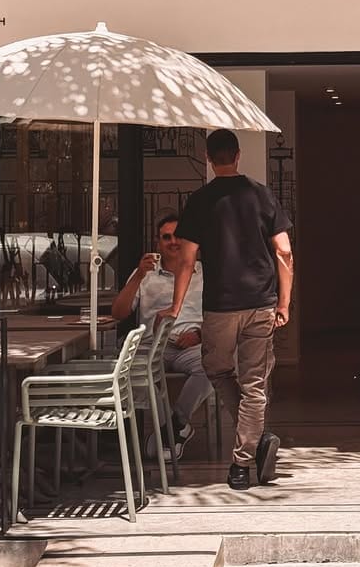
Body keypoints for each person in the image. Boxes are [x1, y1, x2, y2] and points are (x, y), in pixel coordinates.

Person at [160, 128, 292, 492]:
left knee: (217, 370)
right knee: (255, 385)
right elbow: (284, 251)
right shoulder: (262, 195)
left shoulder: (200, 201)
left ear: (208, 158)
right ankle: (250, 451)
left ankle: (245, 455)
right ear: (237, 156)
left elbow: (186, 260)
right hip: (261, 302)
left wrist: (176, 305)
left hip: (220, 306)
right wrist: (284, 301)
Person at [111, 211, 211, 461]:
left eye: (178, 236)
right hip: (151, 345)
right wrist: (138, 275)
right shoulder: (145, 273)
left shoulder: (205, 273)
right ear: (158, 243)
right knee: (130, 370)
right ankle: (173, 429)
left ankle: (173, 426)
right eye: (166, 237)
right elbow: (118, 313)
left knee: (213, 365)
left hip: (191, 344)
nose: (173, 242)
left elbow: (220, 315)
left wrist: (200, 334)